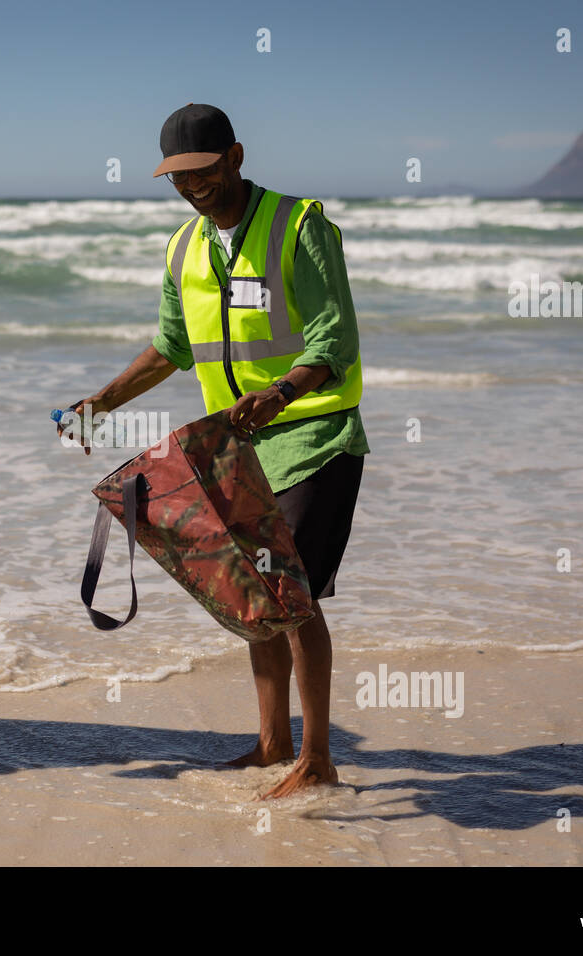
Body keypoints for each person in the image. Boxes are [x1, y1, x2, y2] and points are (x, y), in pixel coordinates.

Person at [60, 104, 369, 798]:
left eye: (202, 172)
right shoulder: (183, 249)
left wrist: (283, 393)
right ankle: (271, 744)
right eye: (176, 177)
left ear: (234, 155)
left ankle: (318, 759)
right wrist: (103, 400)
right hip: (233, 448)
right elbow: (173, 344)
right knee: (255, 592)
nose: (191, 187)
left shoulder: (299, 226)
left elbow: (334, 336)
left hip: (315, 436)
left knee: (295, 597)